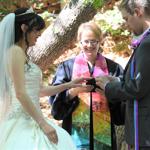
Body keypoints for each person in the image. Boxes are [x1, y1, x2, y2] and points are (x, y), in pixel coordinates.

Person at [0, 7, 89, 150]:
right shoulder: (15, 51)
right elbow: (20, 93)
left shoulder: (23, 54)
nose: (39, 34)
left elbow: (40, 91)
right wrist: (43, 123)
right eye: (36, 30)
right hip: (21, 121)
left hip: (32, 117)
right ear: (23, 28)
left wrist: (69, 85)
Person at [49, 21, 124, 150]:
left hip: (105, 134)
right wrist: (73, 92)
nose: (89, 45)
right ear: (80, 42)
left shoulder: (113, 68)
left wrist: (109, 93)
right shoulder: (67, 67)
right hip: (73, 133)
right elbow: (56, 104)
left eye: (94, 41)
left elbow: (123, 98)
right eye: (86, 41)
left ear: (100, 41)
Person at [95, 0, 150, 149]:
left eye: (126, 18)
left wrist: (108, 87)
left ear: (138, 12)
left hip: (145, 131)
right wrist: (119, 80)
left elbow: (137, 88)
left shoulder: (147, 44)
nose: (126, 24)